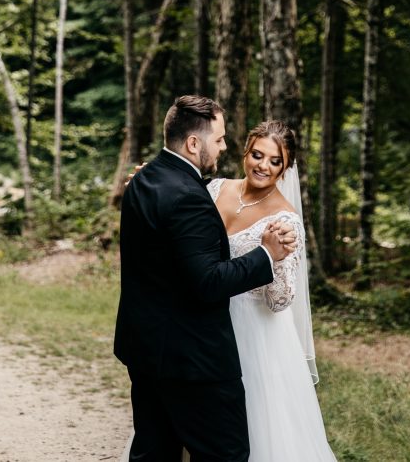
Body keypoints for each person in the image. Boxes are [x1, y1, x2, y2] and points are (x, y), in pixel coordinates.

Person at [114, 95, 297, 462]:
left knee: (154, 452)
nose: (225, 146)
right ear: (194, 143)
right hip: (193, 359)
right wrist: (265, 254)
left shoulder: (144, 178)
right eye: (220, 138)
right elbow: (208, 282)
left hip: (145, 347)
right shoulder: (190, 196)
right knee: (224, 454)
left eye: (275, 160)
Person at [207, 120, 337, 462]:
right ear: (245, 152)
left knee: (254, 425)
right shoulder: (216, 189)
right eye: (257, 155)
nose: (263, 166)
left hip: (255, 334)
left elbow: (280, 301)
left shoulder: (285, 221)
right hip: (206, 318)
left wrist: (273, 258)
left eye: (275, 160)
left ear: (285, 167)